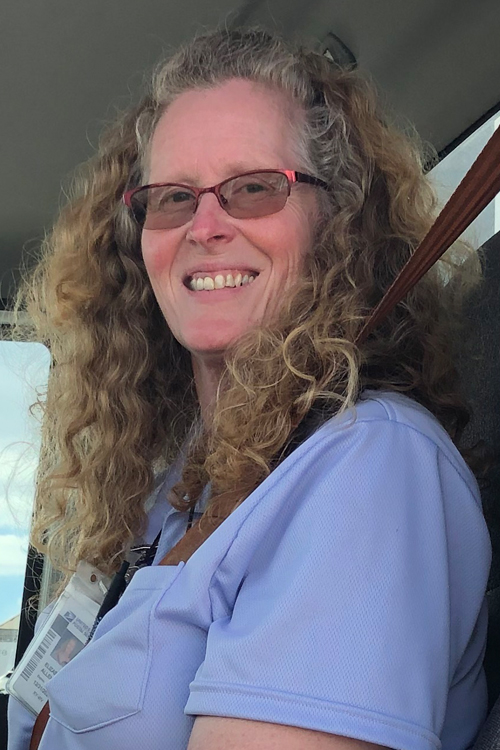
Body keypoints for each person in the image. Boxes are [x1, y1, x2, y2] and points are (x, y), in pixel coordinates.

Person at [7, 26, 491, 750]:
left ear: (338, 222)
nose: (205, 225)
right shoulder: (179, 483)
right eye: (172, 197)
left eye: (254, 189)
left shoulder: (371, 466)